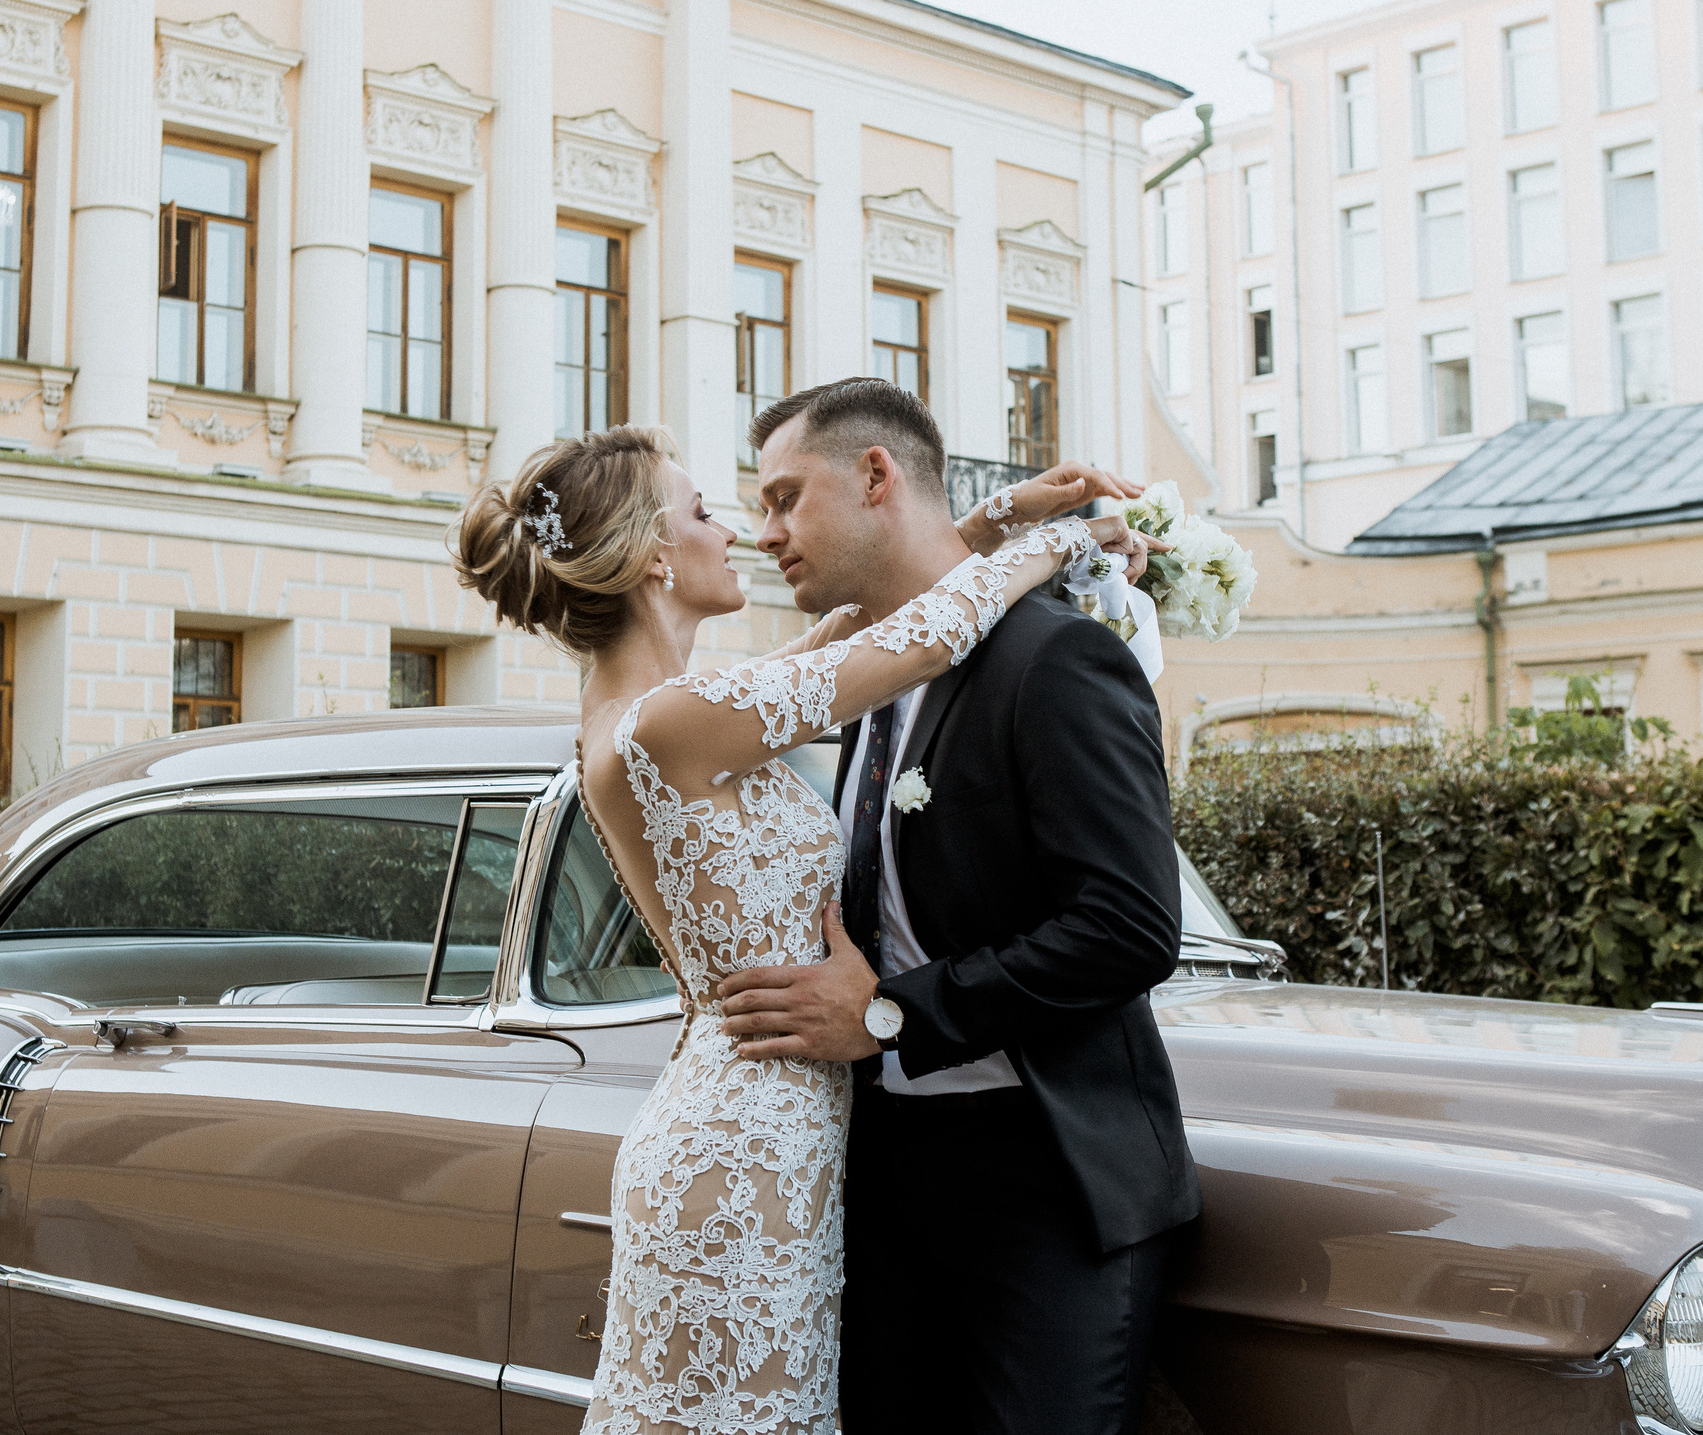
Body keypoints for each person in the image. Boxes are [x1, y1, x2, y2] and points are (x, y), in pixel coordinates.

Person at [450, 416, 1150, 1435]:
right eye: (700, 511)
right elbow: (921, 638)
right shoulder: (674, 720)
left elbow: (864, 630)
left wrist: (997, 516)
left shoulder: (663, 706)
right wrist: (1071, 537)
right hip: (748, 1145)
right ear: (652, 557)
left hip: (775, 1125)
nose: (730, 529)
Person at [717, 379, 1200, 1435]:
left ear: (877, 475)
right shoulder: (859, 677)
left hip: (1046, 1180)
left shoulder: (1055, 659)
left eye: (785, 498)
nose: (765, 534)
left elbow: (1126, 927)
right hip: (883, 1178)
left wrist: (890, 1014)